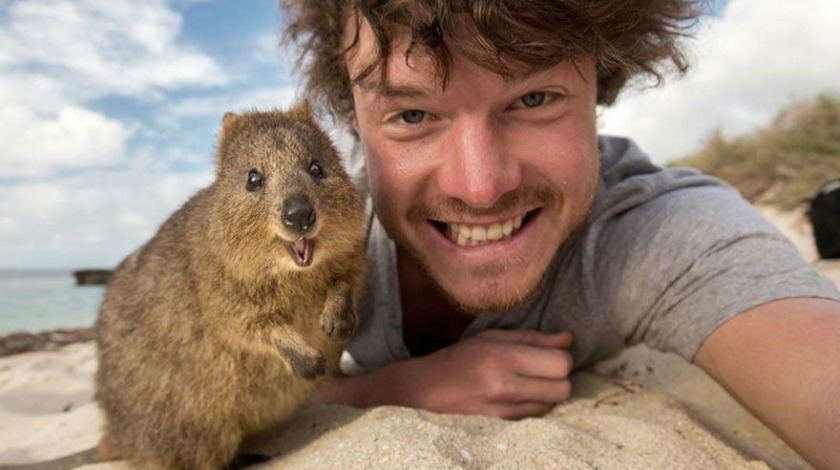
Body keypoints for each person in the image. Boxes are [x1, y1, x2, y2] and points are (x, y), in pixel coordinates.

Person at [280, 1, 840, 468]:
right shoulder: (308, 226)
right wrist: (393, 388)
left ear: (600, 82)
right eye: (411, 116)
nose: (480, 189)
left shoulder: (651, 230)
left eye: (533, 99)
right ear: (352, 116)